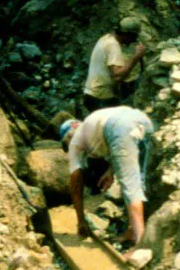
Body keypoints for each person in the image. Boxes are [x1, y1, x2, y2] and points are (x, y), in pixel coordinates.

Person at [59, 106, 154, 247]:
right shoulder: (91, 126)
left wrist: (81, 221)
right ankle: (132, 230)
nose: (69, 148)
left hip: (119, 127)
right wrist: (111, 171)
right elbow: (122, 147)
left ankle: (140, 244)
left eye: (66, 145)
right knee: (139, 179)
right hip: (141, 120)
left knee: (130, 185)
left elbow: (76, 185)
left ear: (68, 137)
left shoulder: (74, 142)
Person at [83, 17, 147, 114]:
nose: (134, 40)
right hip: (100, 97)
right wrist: (136, 56)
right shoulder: (113, 45)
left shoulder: (106, 39)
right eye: (134, 37)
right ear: (127, 35)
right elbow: (117, 76)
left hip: (92, 94)